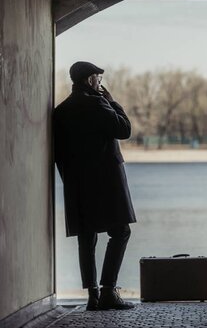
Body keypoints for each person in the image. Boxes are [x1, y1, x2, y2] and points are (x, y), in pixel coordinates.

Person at [54, 61, 136, 311]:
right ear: (90, 80)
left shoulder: (61, 111)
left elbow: (59, 152)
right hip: (107, 182)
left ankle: (93, 295)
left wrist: (70, 180)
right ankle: (109, 291)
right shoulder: (98, 103)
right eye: (98, 78)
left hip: (77, 183)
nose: (100, 82)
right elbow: (124, 130)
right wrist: (112, 102)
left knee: (86, 237)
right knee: (120, 232)